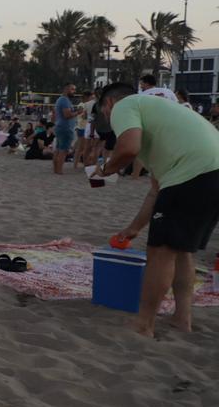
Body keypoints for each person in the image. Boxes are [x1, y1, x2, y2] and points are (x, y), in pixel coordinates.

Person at [93, 81, 219, 336]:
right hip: (211, 174)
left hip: (193, 175)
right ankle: (182, 319)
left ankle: (144, 324)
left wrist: (105, 171)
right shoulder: (166, 119)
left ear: (108, 103)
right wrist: (133, 229)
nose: (107, 117)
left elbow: (128, 148)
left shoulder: (125, 104)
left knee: (160, 252)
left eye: (104, 111)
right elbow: (156, 191)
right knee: (183, 249)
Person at [51, 83, 79, 174]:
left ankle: (56, 169)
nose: (74, 91)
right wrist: (78, 112)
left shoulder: (60, 99)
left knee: (58, 149)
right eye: (72, 89)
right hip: (65, 127)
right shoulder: (65, 100)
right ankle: (59, 170)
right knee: (63, 150)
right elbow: (67, 115)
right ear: (66, 89)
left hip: (60, 126)